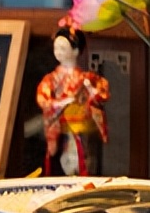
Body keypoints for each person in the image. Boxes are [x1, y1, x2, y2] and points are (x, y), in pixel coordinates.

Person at [35, 24, 109, 176]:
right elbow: (43, 99)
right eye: (56, 48)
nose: (58, 52)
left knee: (85, 160)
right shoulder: (51, 79)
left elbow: (101, 93)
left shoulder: (87, 78)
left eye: (63, 48)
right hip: (62, 127)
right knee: (65, 161)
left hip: (83, 127)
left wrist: (92, 91)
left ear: (75, 51)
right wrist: (60, 103)